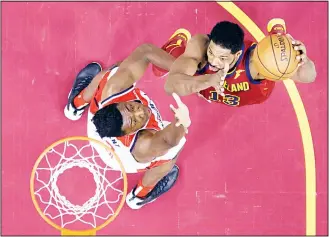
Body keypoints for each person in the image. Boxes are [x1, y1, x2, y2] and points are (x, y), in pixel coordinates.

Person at [64, 43, 191, 209]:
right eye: (135, 121)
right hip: (124, 160)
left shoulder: (113, 90)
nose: (139, 112)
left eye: (131, 107)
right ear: (127, 133)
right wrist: (183, 121)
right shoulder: (143, 143)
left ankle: (75, 105)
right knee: (169, 156)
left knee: (109, 76)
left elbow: (145, 52)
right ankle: (140, 196)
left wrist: (183, 73)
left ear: (117, 103)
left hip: (98, 129)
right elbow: (169, 141)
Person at [152, 19, 316, 107]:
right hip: (207, 87)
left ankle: (278, 40)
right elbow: (171, 85)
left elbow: (309, 76)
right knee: (178, 64)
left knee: (279, 61)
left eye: (222, 58)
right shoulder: (200, 48)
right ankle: (176, 45)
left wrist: (302, 59)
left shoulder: (258, 63)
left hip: (248, 94)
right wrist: (208, 80)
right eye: (211, 52)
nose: (214, 61)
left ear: (237, 54)